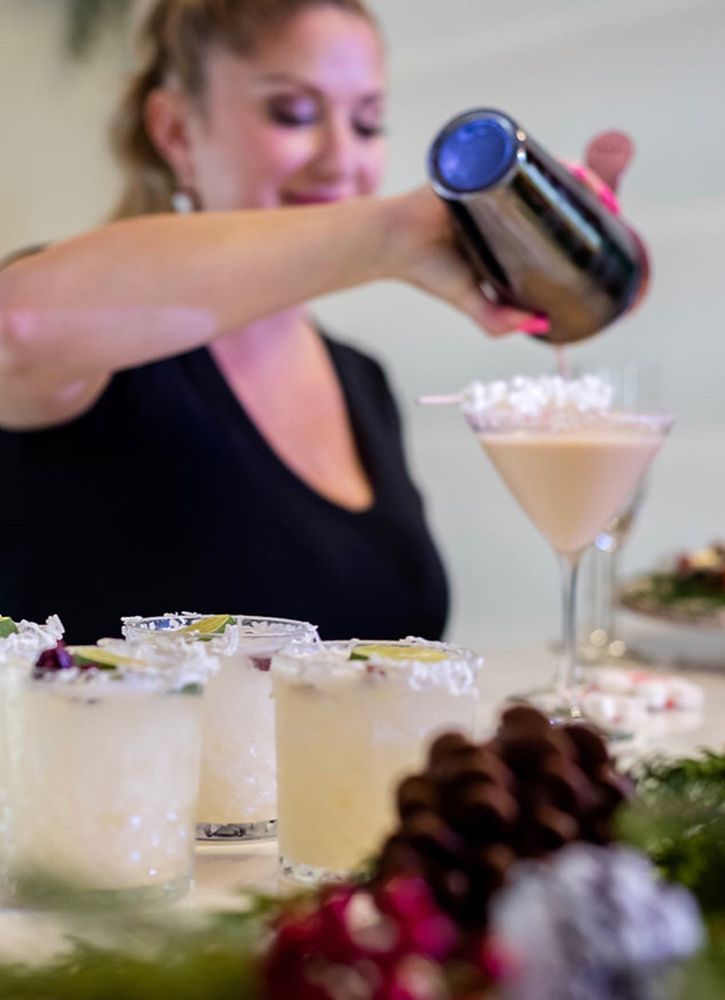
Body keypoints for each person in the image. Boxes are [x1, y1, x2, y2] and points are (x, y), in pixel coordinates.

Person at [0, 0, 621, 643]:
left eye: (368, 123)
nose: (341, 161)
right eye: (293, 113)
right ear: (178, 132)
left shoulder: (363, 381)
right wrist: (391, 233)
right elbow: (18, 325)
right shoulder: (93, 347)